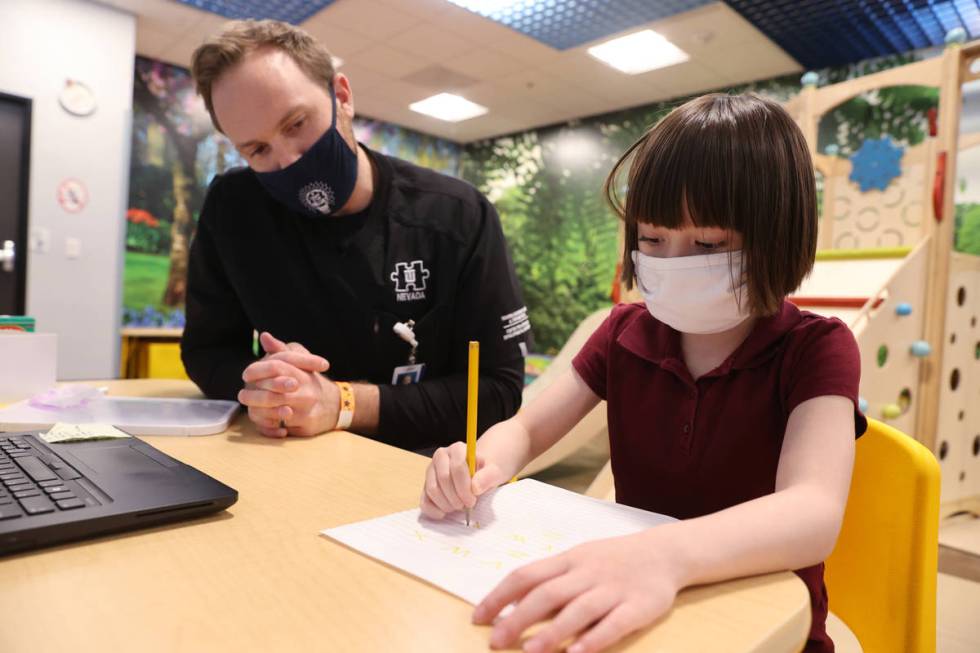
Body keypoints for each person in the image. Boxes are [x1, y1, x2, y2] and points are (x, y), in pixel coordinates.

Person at [419, 93, 867, 653]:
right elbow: (530, 429)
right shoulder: (623, 332)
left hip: (761, 624)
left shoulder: (818, 348)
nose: (672, 262)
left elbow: (813, 512)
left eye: (708, 243)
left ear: (780, 236)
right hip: (632, 610)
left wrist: (663, 556)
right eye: (652, 239)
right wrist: (481, 462)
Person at [181, 20, 530, 450]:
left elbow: (497, 390)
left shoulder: (456, 215)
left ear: (341, 96)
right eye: (257, 149)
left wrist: (341, 403)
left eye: (296, 124)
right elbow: (206, 351)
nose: (288, 160)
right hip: (287, 453)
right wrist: (271, 386)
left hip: (425, 464)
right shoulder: (234, 210)